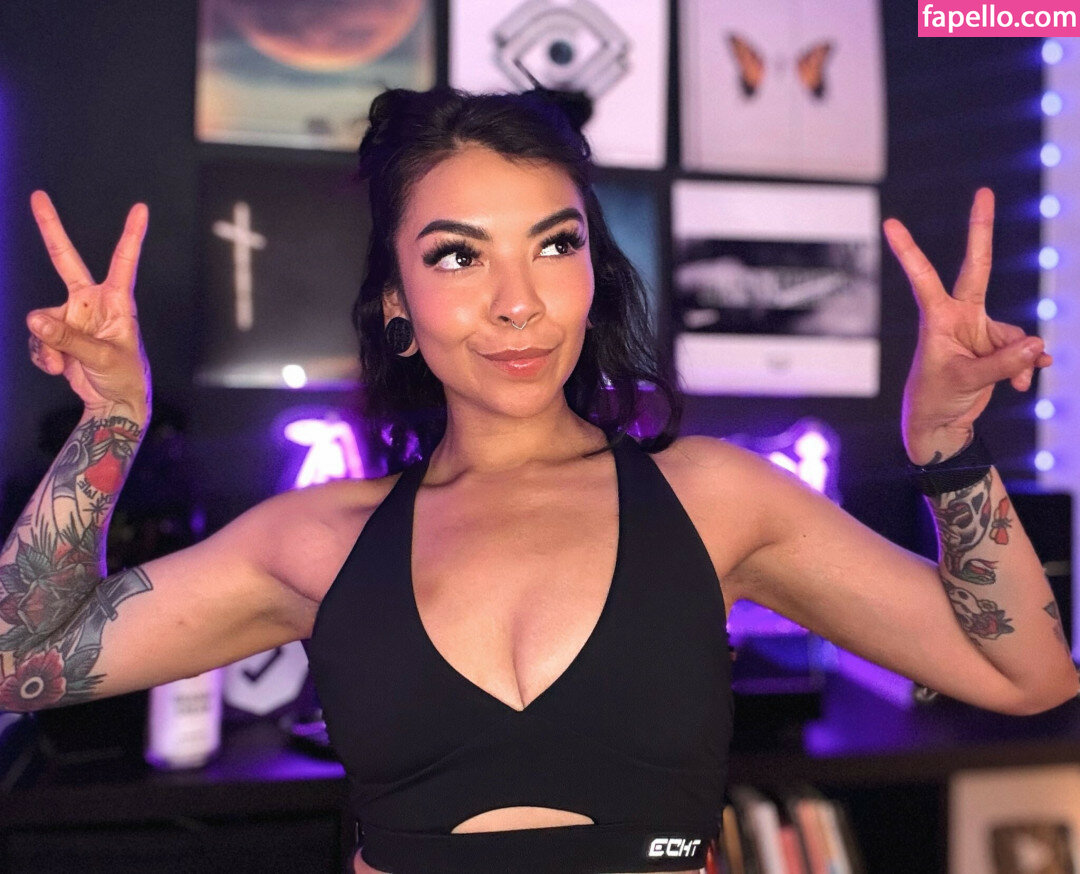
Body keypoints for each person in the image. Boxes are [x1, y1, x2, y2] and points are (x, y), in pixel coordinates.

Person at [3, 86, 1076, 874]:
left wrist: (947, 441)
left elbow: (1028, 676)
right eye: (459, 255)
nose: (519, 301)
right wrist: (112, 420)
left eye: (554, 246)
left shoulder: (716, 500)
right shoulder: (318, 540)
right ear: (395, 302)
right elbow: (20, 661)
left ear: (593, 274)